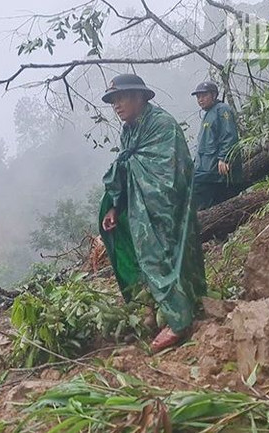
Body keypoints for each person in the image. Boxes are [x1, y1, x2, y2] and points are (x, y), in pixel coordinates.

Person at [99, 73, 207, 352]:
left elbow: (172, 174)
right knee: (145, 255)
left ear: (140, 97)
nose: (117, 106)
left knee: (166, 255)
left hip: (166, 206)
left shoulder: (163, 126)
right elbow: (126, 166)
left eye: (121, 98)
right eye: (113, 102)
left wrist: (137, 175)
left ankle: (179, 321)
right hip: (139, 206)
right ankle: (159, 305)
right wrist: (114, 205)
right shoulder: (129, 131)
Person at [191, 81, 242, 210]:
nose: (200, 100)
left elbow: (229, 135)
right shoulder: (209, 113)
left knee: (204, 202)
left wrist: (224, 158)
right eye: (198, 97)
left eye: (204, 95)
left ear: (214, 95)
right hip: (206, 168)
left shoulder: (222, 109)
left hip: (215, 170)